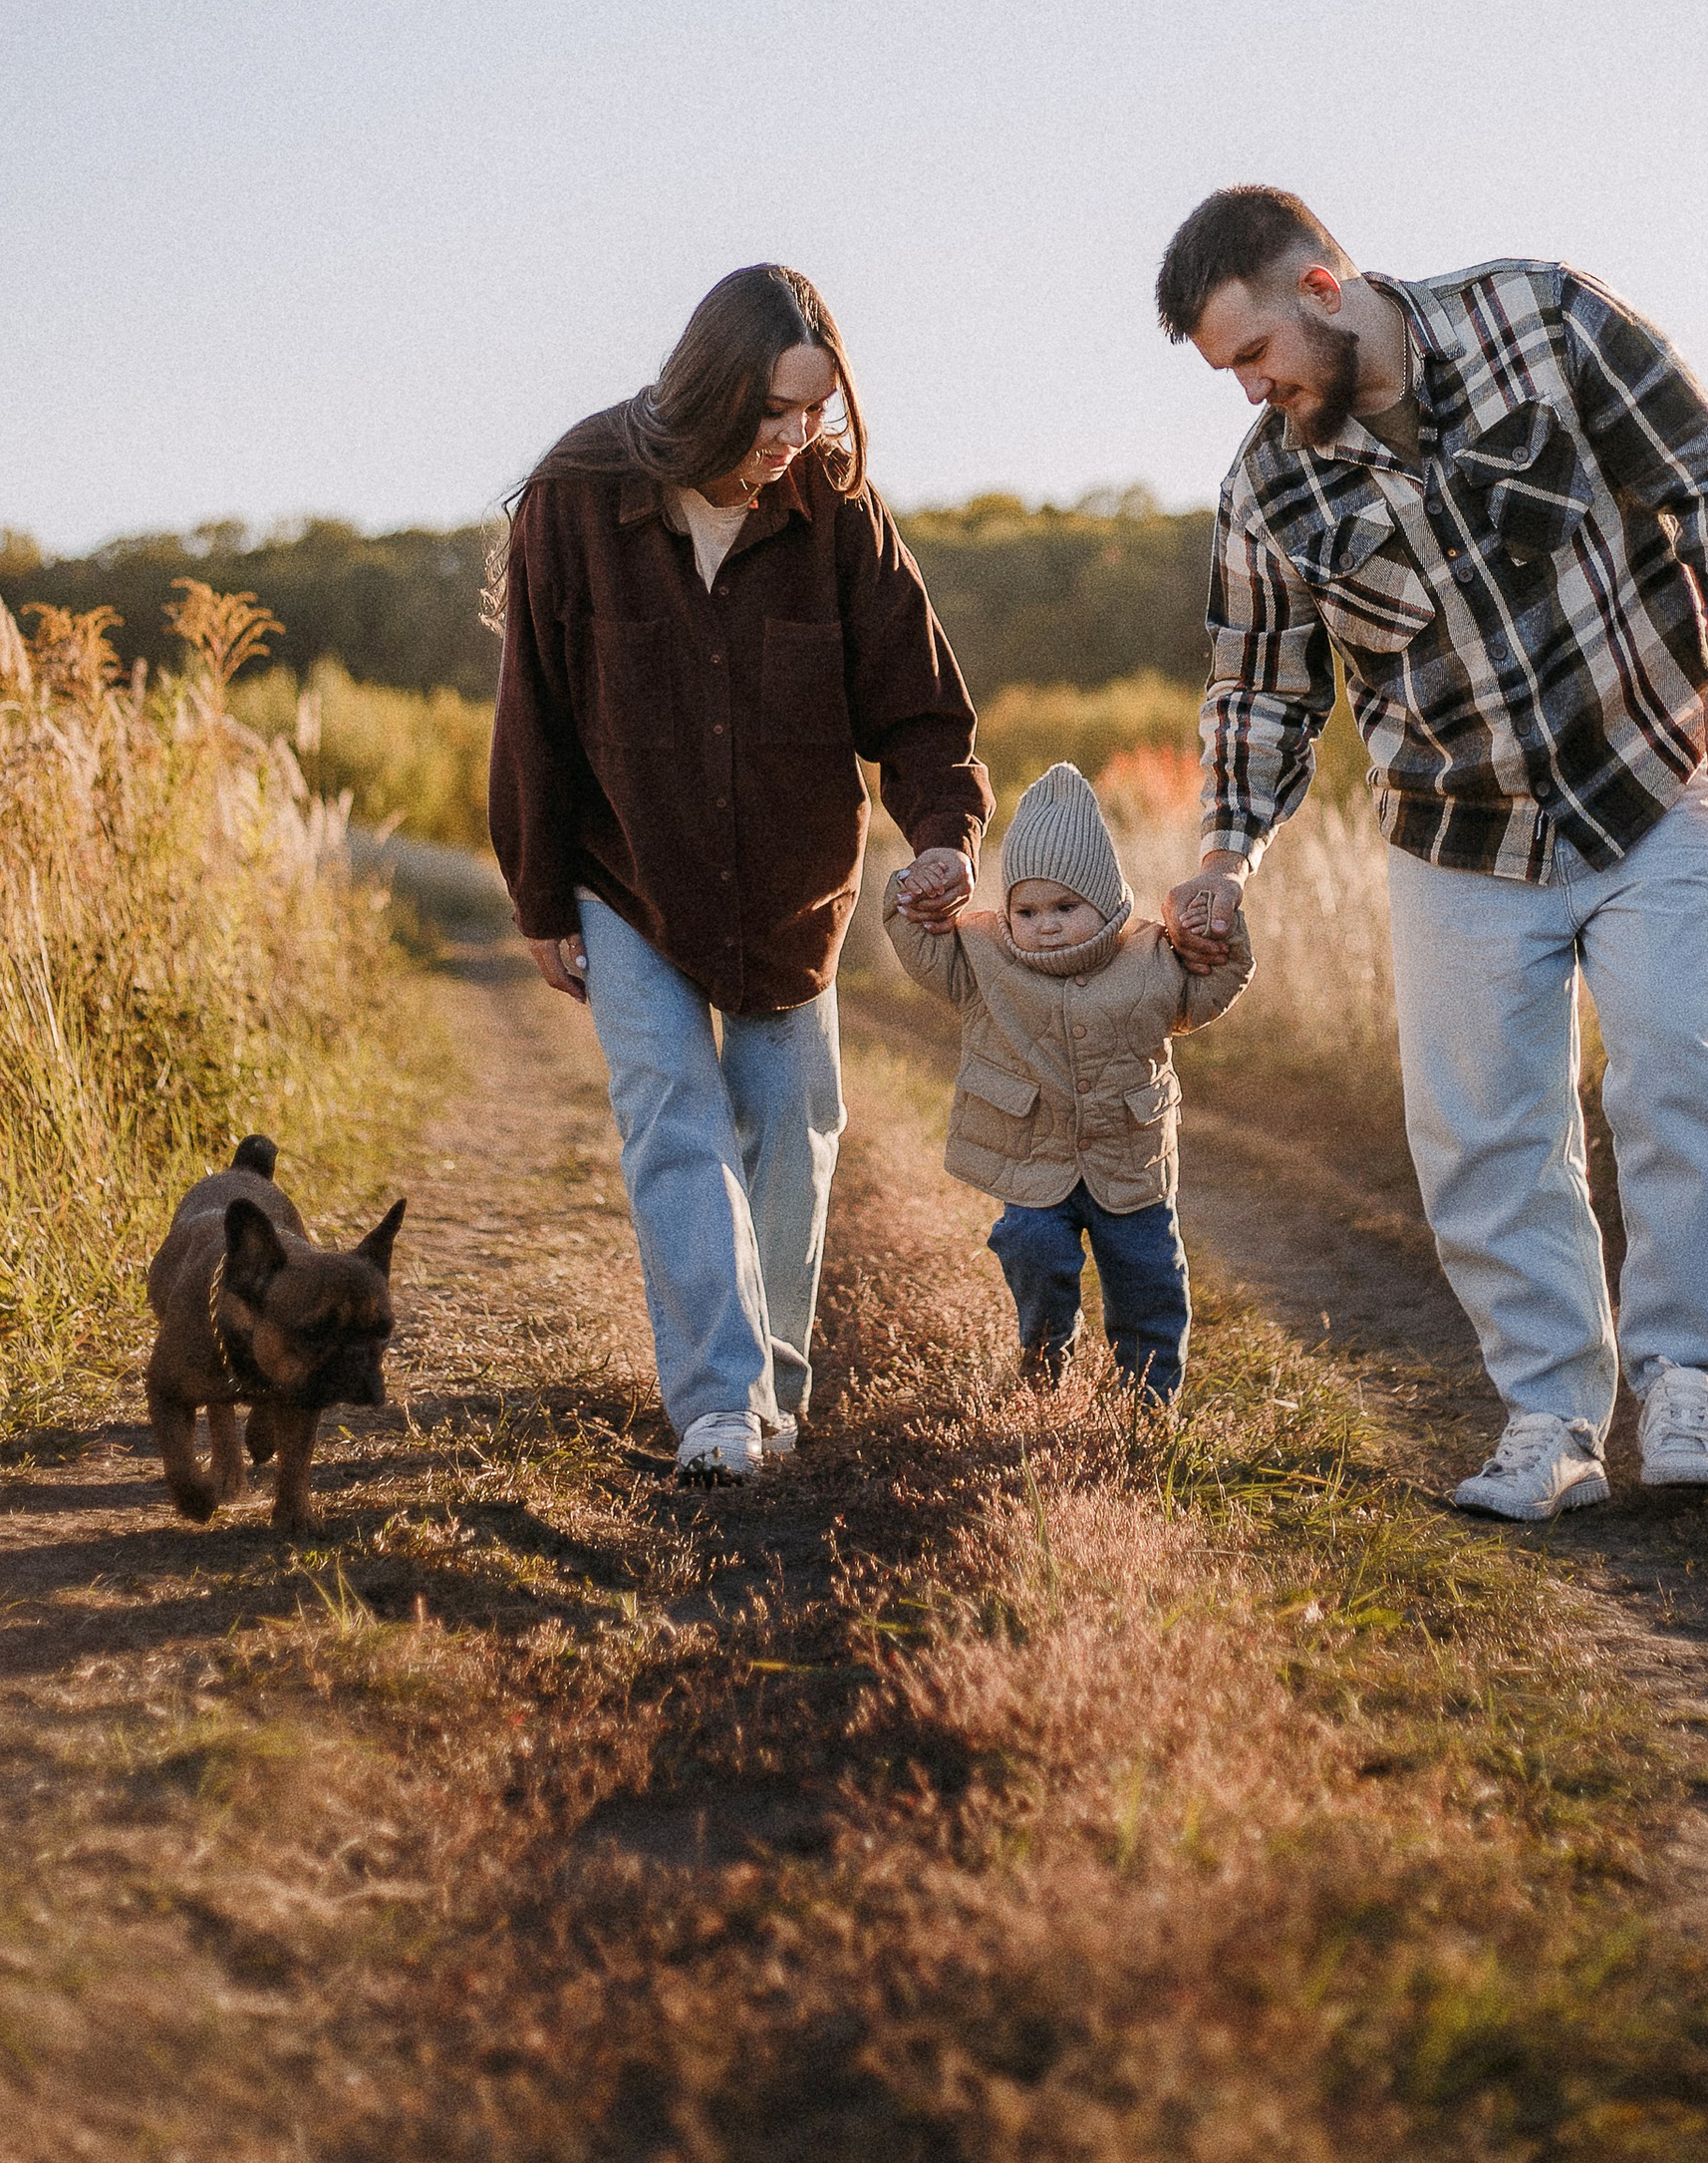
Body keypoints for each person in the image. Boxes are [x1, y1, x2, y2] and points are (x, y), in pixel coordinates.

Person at [1153, 186, 1708, 1521]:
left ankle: (1681, 1379)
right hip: (1457, 834)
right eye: (1232, 376)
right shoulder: (1268, 489)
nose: (1252, 393)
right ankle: (1551, 1417)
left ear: (1319, 287)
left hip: (1647, 780)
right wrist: (1228, 854)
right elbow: (1261, 691)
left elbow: (1698, 470)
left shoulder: (1540, 318)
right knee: (1485, 1138)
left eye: (1255, 356)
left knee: (1681, 1066)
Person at [489, 264, 989, 1481]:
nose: (792, 439)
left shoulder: (839, 513)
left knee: (789, 1127)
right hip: (629, 878)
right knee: (673, 1119)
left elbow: (919, 711)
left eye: (813, 412)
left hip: (787, 887)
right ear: (708, 389)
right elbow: (533, 718)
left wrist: (940, 839)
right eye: (771, 412)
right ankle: (718, 1404)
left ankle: (772, 1383)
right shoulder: (574, 499)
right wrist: (543, 895)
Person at [883, 761, 1250, 1398]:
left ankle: (1147, 1401)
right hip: (1033, 1158)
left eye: (1065, 906)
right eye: (1026, 909)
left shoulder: (1153, 956)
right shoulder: (982, 958)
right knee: (1031, 1246)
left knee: (1148, 1279)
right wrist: (912, 892)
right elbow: (922, 947)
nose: (1044, 923)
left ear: (1105, 900)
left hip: (1129, 1159)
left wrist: (1219, 931)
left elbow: (1211, 983)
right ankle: (1044, 1359)